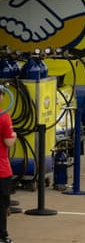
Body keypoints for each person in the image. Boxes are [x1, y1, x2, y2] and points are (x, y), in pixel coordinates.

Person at [0, 87, 16, 243]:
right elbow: (8, 141)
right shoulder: (4, 117)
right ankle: (2, 235)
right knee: (2, 205)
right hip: (1, 170)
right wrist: (14, 135)